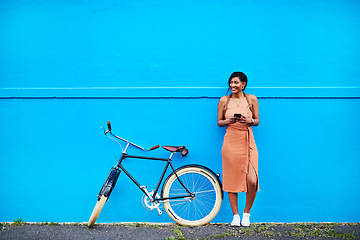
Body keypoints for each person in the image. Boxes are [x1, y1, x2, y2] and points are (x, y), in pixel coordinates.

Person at [217, 71, 259, 227]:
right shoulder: (224, 101)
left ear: (243, 84)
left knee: (252, 181)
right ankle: (235, 216)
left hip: (247, 140)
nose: (232, 85)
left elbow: (257, 121)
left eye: (236, 82)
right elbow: (219, 122)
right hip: (230, 141)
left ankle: (246, 213)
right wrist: (229, 120)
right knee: (231, 178)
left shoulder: (252, 99)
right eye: (231, 82)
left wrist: (249, 120)